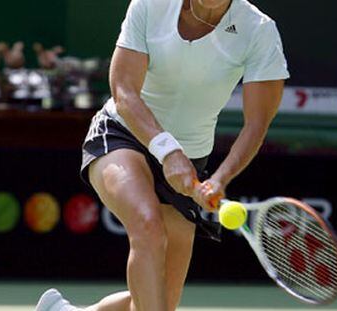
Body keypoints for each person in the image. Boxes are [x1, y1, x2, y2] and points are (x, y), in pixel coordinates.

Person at [36, 0, 289, 310]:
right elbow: (124, 90)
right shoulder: (150, 5)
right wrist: (167, 151)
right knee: (148, 226)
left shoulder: (259, 30)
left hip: (192, 158)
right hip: (122, 133)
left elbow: (257, 124)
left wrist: (220, 179)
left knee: (158, 300)